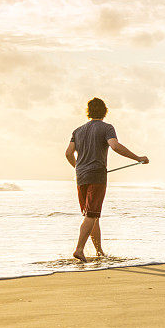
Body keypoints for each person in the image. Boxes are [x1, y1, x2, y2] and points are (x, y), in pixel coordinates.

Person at [65, 97, 149, 262]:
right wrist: (137, 157)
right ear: (104, 112)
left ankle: (99, 251)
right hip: (96, 175)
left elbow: (68, 153)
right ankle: (79, 249)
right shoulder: (107, 128)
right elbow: (115, 146)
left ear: (88, 112)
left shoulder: (77, 130)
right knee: (91, 214)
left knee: (92, 214)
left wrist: (78, 167)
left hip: (81, 176)